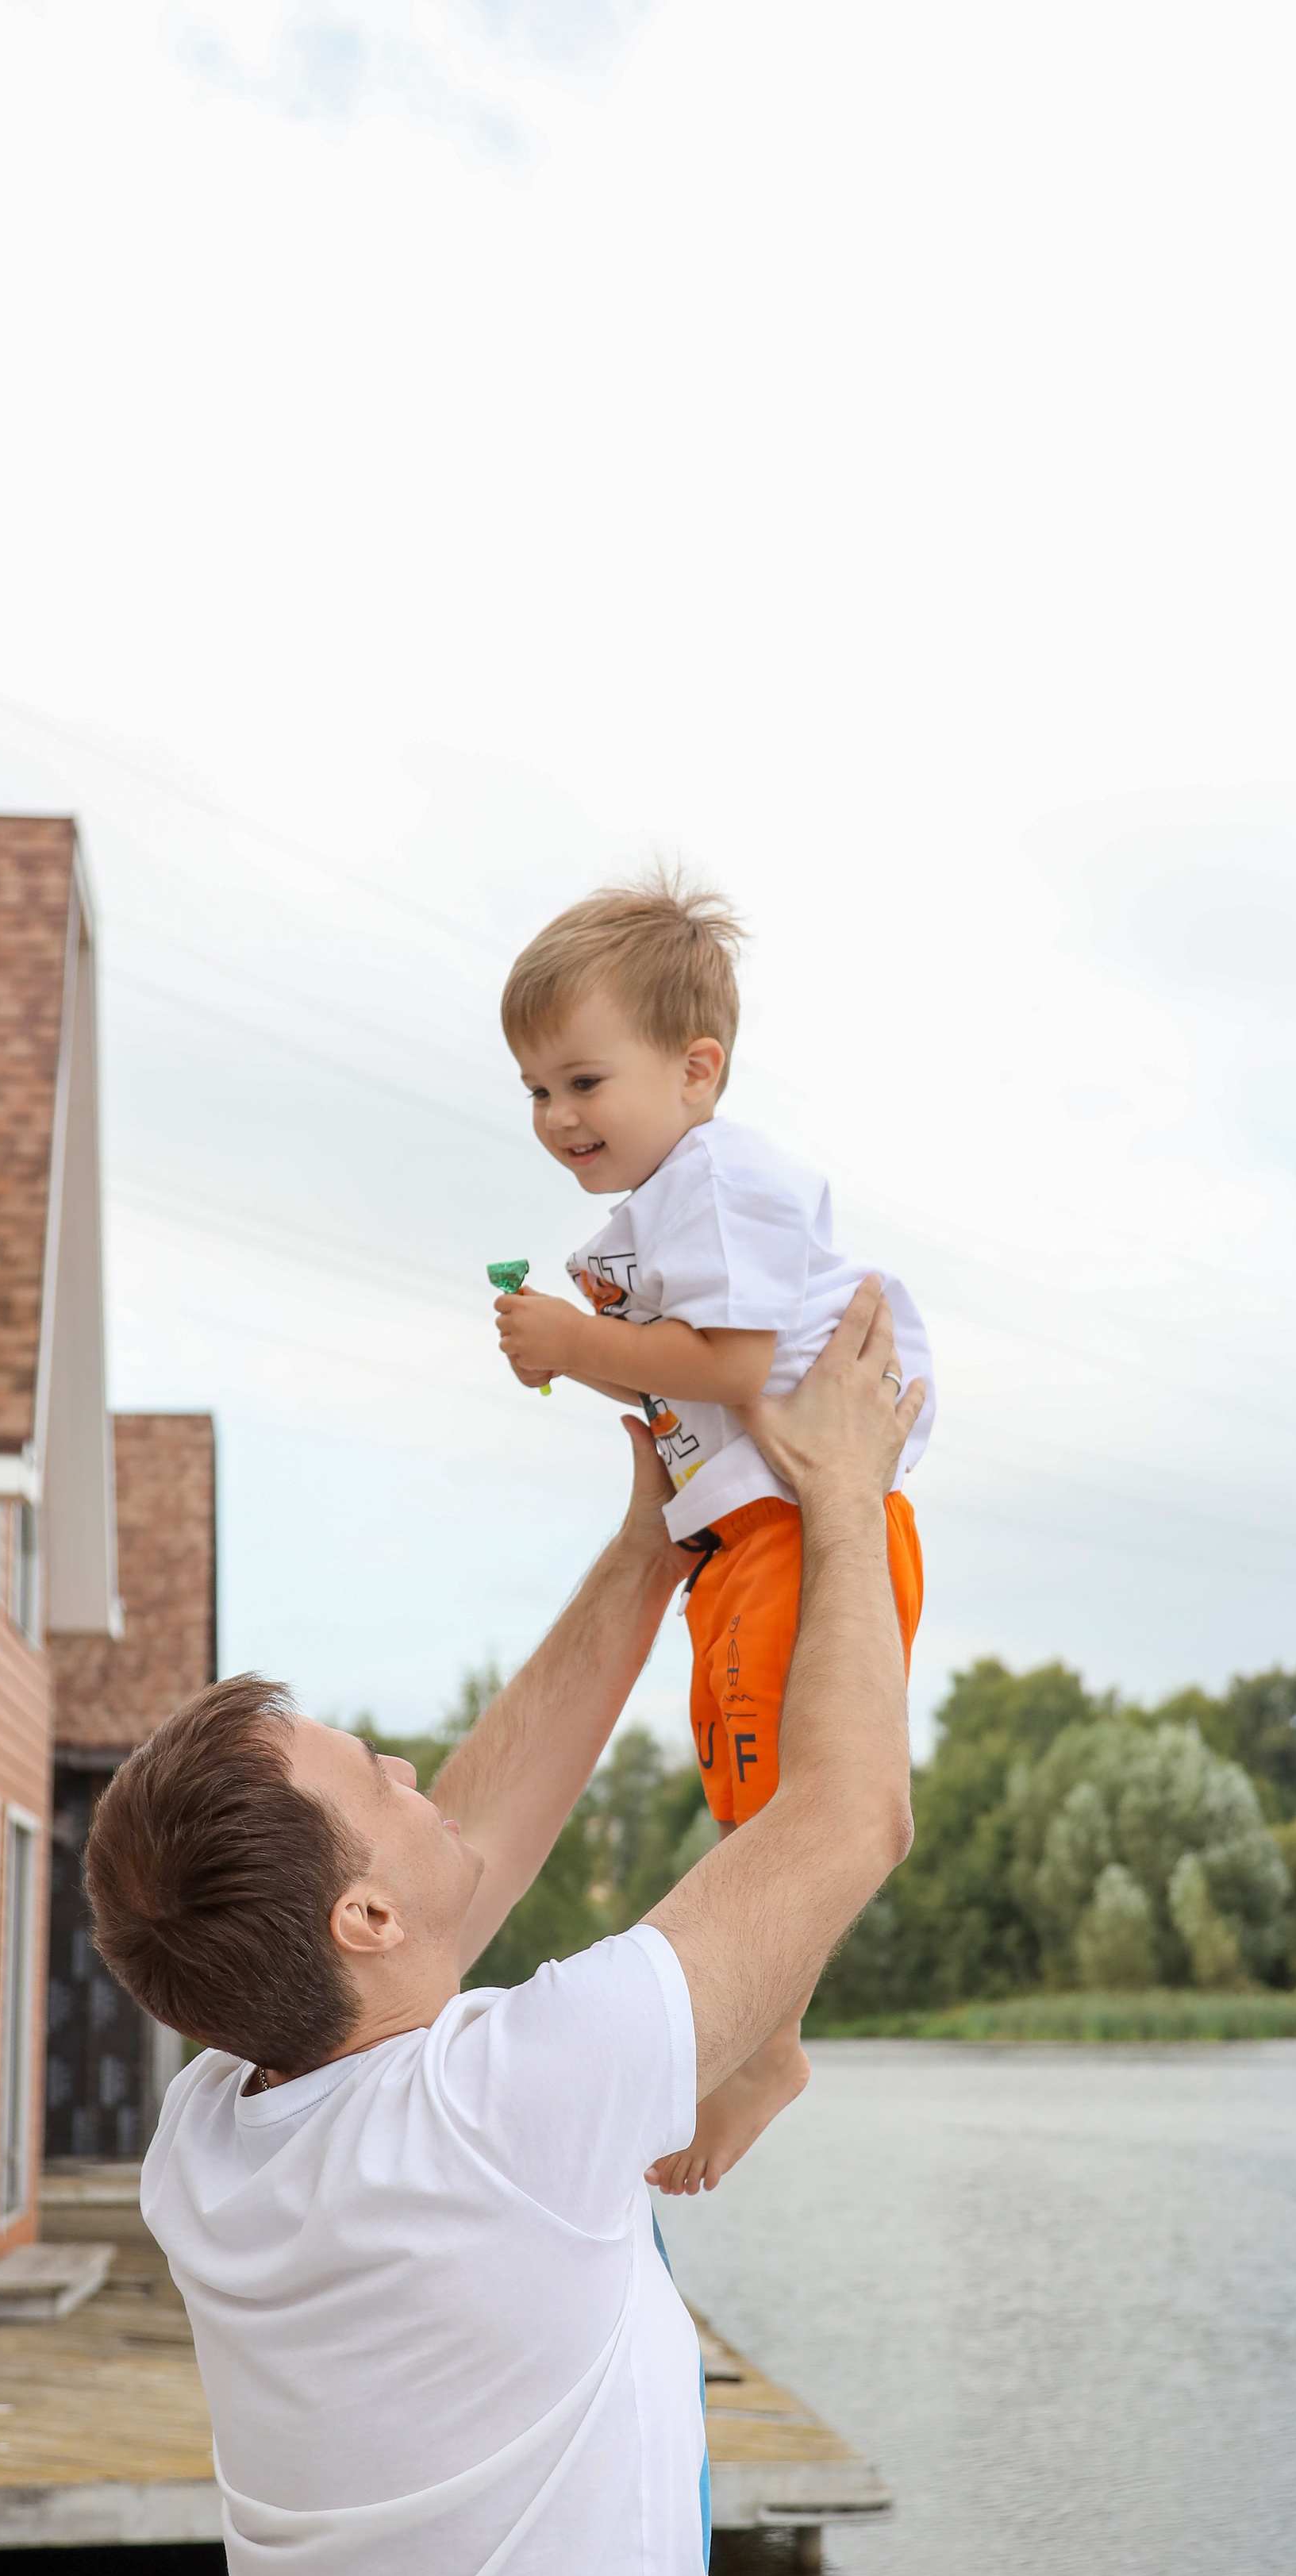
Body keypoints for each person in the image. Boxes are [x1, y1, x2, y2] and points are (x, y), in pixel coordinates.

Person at [85, 1285, 924, 2576]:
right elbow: (843, 1821)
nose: (414, 1767)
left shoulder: (214, 2142)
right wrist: (839, 1503)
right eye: (374, 1769)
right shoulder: (499, 2114)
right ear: (361, 1915)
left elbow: (439, 1872)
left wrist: (650, 1542)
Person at [491, 877, 935, 2197]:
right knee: (746, 1794)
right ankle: (763, 2037)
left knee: (786, 1812)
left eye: (581, 1081)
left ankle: (764, 2044)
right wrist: (587, 1359)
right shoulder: (662, 1208)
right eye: (533, 1092)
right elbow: (689, 1371)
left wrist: (579, 1346)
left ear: (698, 1071)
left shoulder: (718, 1183)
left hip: (802, 1529)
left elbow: (738, 1359)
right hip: (746, 1541)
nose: (557, 1119)